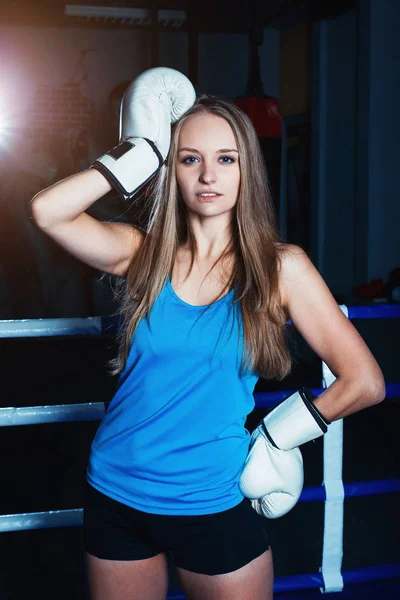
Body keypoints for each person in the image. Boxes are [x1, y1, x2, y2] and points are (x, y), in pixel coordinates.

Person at [31, 67, 386, 600]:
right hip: (117, 492)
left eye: (225, 159)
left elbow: (364, 381)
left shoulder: (280, 268)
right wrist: (140, 150)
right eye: (188, 159)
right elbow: (48, 211)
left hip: (211, 501)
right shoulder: (141, 252)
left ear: (247, 171)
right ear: (170, 170)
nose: (207, 176)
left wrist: (277, 433)